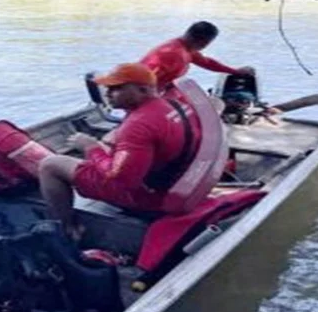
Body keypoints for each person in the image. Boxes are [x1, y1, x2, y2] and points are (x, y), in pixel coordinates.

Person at [38, 63, 201, 240]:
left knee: (50, 165)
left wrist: (91, 148)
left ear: (143, 90)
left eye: (116, 88)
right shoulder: (174, 105)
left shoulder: (137, 126)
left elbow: (122, 180)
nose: (107, 93)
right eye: (107, 88)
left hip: (150, 196)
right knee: (107, 143)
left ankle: (68, 230)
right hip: (176, 177)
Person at [139, 21, 254, 91]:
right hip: (142, 92)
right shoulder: (173, 54)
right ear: (204, 43)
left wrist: (235, 71)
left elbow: (207, 63)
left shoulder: (186, 48)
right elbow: (142, 80)